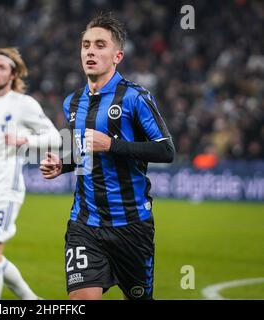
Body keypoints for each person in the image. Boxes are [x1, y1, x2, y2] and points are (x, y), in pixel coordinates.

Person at [40, 13, 175, 300]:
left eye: (100, 45)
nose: (90, 51)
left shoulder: (135, 98)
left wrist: (112, 145)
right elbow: (83, 153)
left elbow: (166, 150)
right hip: (84, 224)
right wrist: (61, 165)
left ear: (117, 56)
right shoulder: (72, 102)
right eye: (86, 45)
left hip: (132, 227)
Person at [0, 47, 61, 300]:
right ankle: (33, 301)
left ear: (13, 74)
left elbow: (54, 137)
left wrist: (23, 139)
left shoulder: (23, 104)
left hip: (6, 189)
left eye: (1, 68)